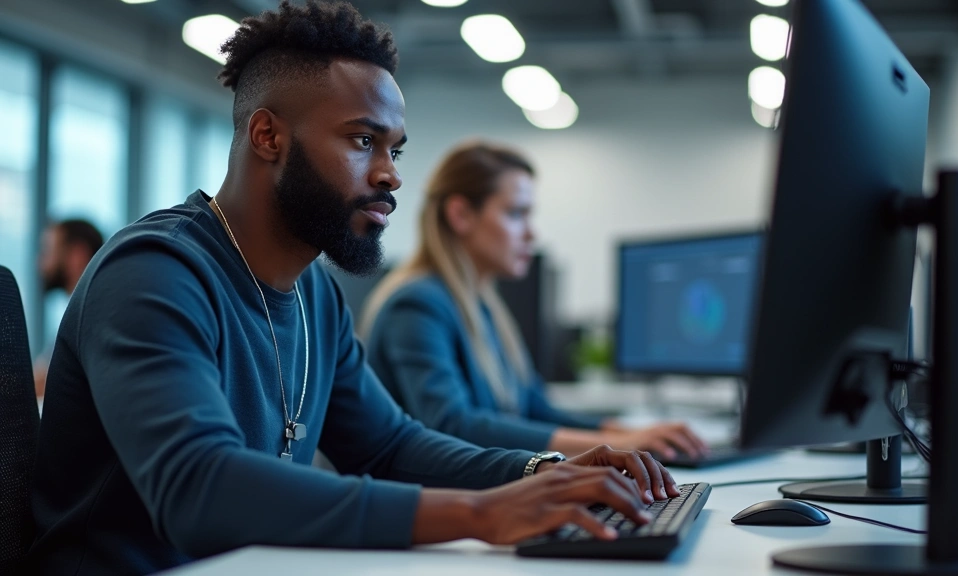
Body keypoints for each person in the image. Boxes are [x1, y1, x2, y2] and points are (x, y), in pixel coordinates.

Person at [26, 3, 682, 575]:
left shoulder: (314, 296)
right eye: (363, 140)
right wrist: (481, 513)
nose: (391, 174)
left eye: (395, 149)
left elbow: (388, 444)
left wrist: (539, 473)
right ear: (268, 136)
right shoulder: (153, 273)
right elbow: (199, 487)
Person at [360, 142, 708, 459]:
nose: (531, 233)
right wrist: (615, 446)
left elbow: (534, 407)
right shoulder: (418, 304)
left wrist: (626, 434)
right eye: (516, 214)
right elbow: (453, 424)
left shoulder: (479, 306)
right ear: (461, 215)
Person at [33, 218, 104, 398]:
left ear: (76, 255)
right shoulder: (75, 315)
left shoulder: (90, 320)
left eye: (47, 251)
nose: (39, 262)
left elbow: (45, 383)